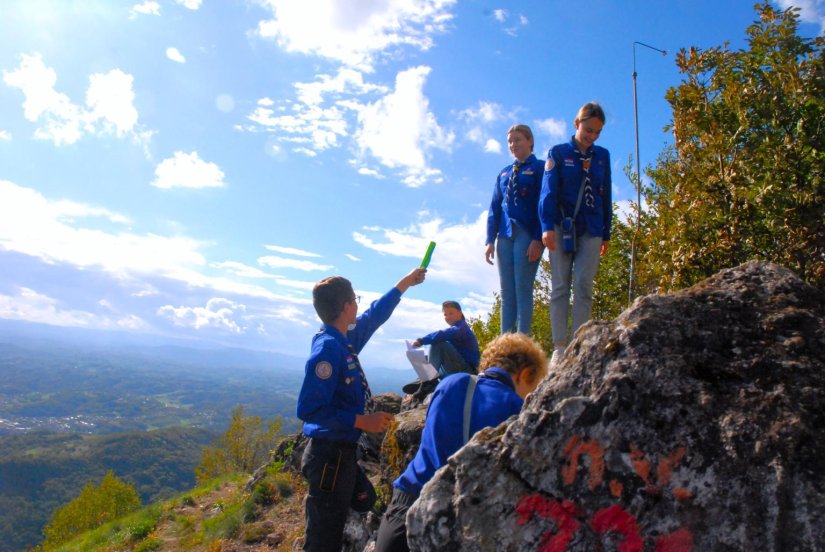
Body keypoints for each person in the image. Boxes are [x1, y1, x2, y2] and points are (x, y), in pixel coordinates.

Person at [375, 332, 548, 552]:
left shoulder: (451, 383)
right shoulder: (516, 408)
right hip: (461, 523)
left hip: (405, 509)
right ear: (525, 374)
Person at [297, 267, 427, 552]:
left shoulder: (343, 340)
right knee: (322, 540)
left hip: (342, 454)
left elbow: (374, 316)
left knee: (363, 499)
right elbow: (309, 409)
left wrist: (405, 283)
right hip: (329, 457)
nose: (358, 304)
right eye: (355, 299)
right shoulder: (328, 349)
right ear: (346, 306)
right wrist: (360, 421)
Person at [539, 102, 612, 365]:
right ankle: (560, 347)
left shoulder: (602, 156)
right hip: (561, 225)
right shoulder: (558, 153)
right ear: (576, 123)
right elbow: (547, 192)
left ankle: (580, 343)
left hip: (592, 227)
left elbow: (606, 194)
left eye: (597, 132)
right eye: (588, 129)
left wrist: (607, 233)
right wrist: (547, 226)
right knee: (560, 286)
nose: (592, 136)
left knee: (583, 284)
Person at [485, 124, 545, 335]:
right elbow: (494, 207)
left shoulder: (540, 168)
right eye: (510, 141)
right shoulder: (504, 172)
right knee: (506, 292)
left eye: (518, 139)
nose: (513, 145)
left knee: (522, 289)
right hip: (505, 235)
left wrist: (538, 239)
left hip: (527, 235)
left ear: (530, 141)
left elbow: (544, 205)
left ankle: (522, 340)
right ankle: (505, 341)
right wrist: (490, 240)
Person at [402, 300, 480, 397]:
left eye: (451, 313)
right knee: (427, 357)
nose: (448, 317)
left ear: (460, 313)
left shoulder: (461, 328)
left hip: (467, 372)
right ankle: (424, 381)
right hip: (458, 369)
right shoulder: (458, 328)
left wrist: (421, 341)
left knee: (439, 344)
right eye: (445, 315)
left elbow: (443, 334)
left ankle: (429, 382)